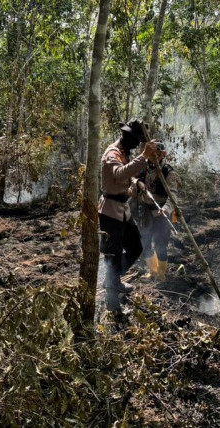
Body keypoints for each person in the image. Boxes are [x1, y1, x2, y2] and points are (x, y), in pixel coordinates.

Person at [99, 119, 157, 312]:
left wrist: (136, 182)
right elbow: (118, 173)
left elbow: (128, 174)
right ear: (127, 136)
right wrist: (143, 156)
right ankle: (112, 304)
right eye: (136, 140)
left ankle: (112, 278)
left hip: (123, 209)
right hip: (110, 211)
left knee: (135, 247)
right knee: (114, 255)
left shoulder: (124, 153)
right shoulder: (113, 152)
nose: (137, 144)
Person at [133, 143, 179, 281]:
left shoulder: (169, 172)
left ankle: (161, 275)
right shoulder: (143, 167)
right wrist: (137, 183)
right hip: (145, 211)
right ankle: (152, 272)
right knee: (145, 242)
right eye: (153, 153)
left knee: (160, 244)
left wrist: (166, 208)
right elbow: (132, 177)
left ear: (163, 154)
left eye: (158, 154)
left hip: (161, 213)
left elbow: (173, 195)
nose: (155, 156)